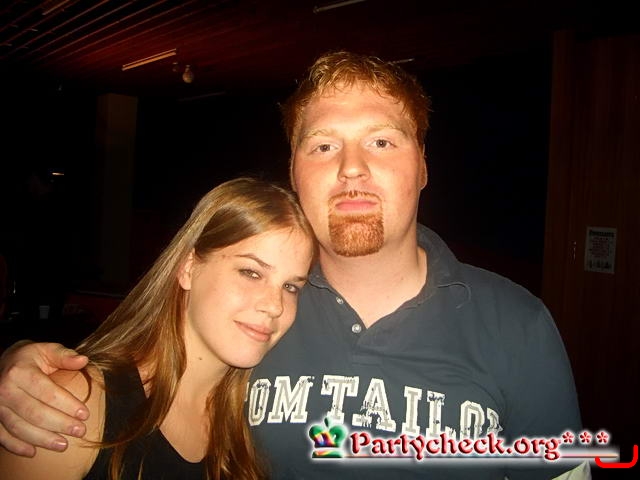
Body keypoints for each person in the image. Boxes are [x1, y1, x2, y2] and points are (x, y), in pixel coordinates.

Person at [0, 52, 585, 479]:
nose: (351, 167)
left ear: (424, 167)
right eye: (323, 145)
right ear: (294, 172)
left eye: (382, 142)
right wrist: (20, 366)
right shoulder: (257, 320)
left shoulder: (519, 323)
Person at [0, 177, 316, 479]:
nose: (275, 305)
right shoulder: (76, 404)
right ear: (188, 267)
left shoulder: (260, 412)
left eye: (291, 286)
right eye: (251, 273)